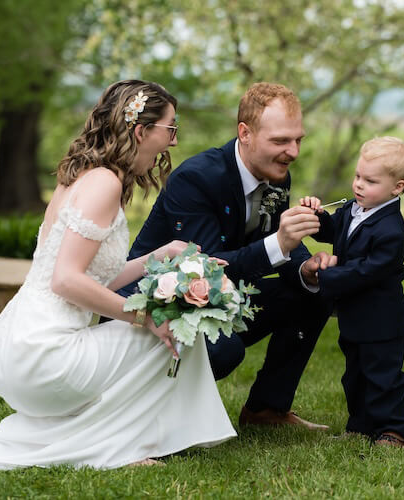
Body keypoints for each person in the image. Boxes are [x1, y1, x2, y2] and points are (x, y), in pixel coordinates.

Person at [0, 80, 236, 476]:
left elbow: (92, 276)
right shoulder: (105, 183)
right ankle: (118, 443)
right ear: (140, 131)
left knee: (166, 326)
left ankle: (113, 434)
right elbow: (66, 282)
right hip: (43, 356)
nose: (173, 142)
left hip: (12, 345)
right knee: (175, 331)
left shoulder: (83, 175)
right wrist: (144, 317)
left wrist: (161, 255)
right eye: (170, 129)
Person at [121, 82, 336, 430]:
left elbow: (273, 241)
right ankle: (157, 411)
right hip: (161, 303)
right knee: (224, 351)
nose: (293, 151)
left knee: (315, 294)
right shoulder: (197, 178)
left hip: (223, 296)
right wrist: (280, 243)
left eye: (298, 139)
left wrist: (306, 268)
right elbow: (205, 269)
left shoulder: (277, 175)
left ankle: (267, 410)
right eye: (281, 141)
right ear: (245, 133)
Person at [300, 136, 404, 447]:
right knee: (354, 375)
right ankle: (361, 423)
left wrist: (327, 275)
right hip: (355, 316)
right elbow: (332, 231)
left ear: (398, 187)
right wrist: (316, 215)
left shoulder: (391, 229)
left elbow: (367, 270)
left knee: (383, 378)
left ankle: (394, 429)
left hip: (381, 320)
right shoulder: (355, 209)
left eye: (370, 180)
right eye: (357, 176)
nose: (359, 185)